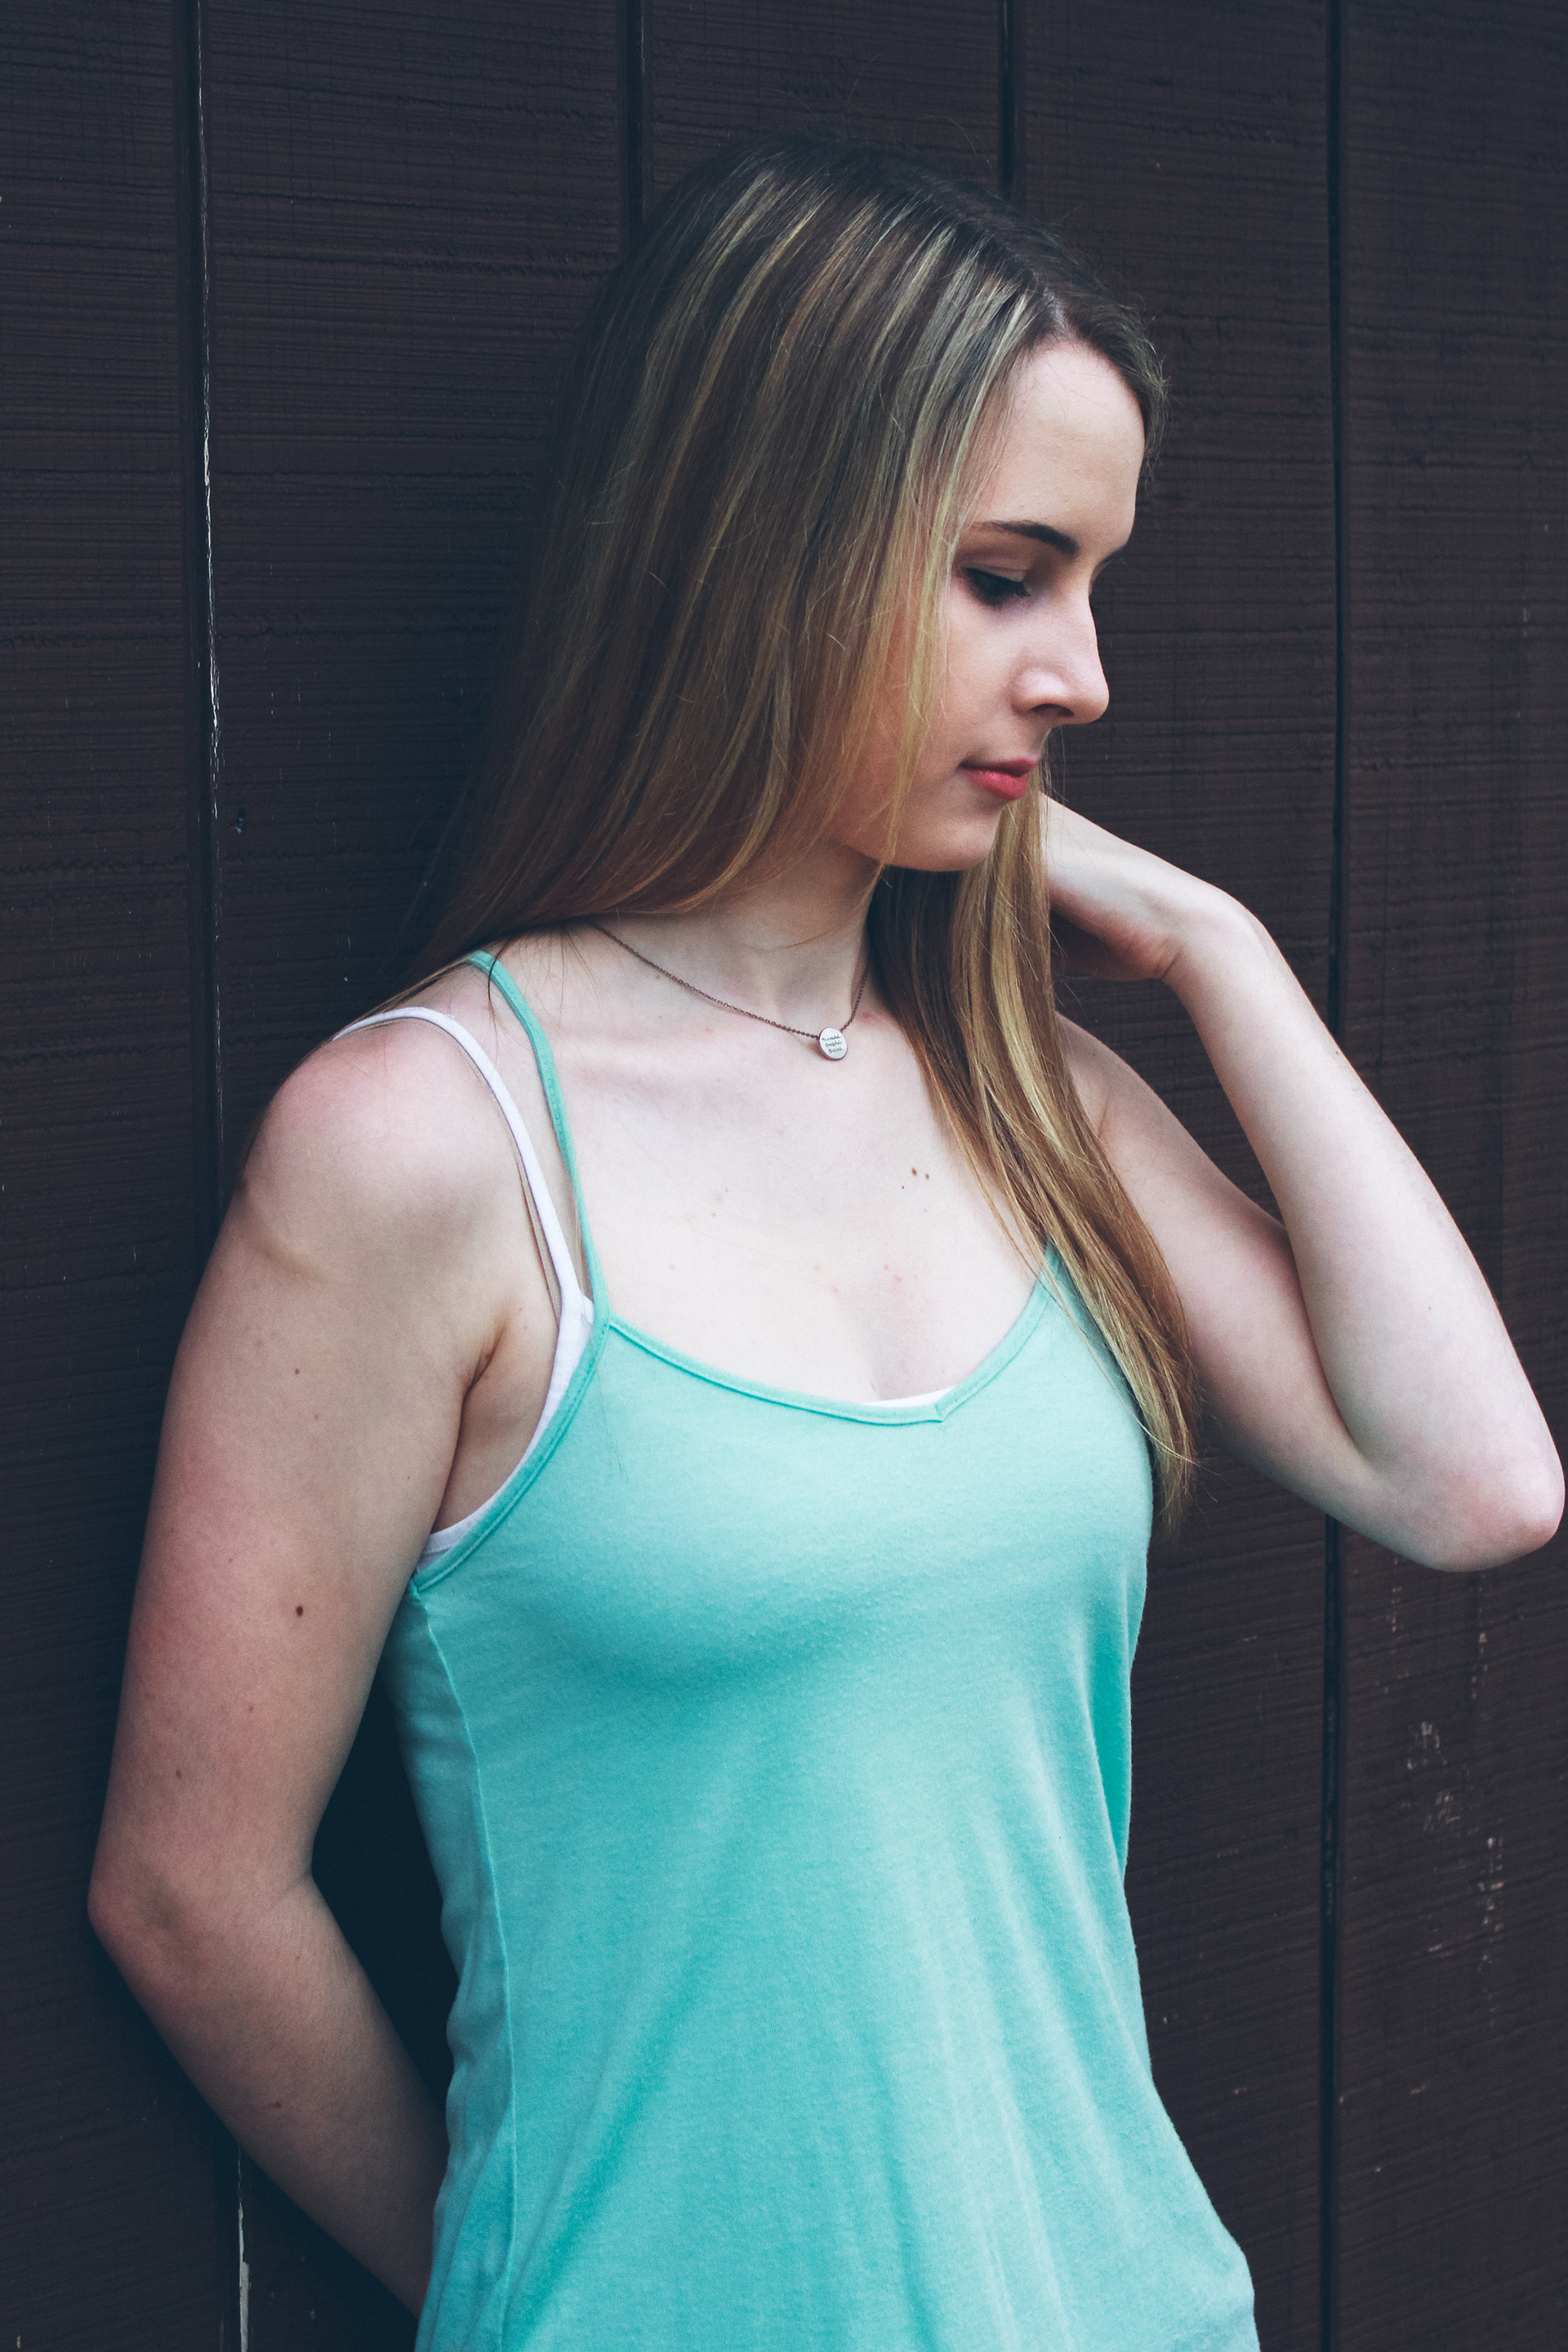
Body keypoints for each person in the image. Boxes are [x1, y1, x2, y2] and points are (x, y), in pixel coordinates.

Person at [89, 135, 1561, 2350]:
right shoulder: (426, 1148)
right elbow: (192, 1892)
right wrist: (537, 2290)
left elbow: (1473, 1482)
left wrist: (1218, 946)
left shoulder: (1041, 1102)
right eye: (1007, 576)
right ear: (760, 548)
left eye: (1095, 585)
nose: (1082, 674)